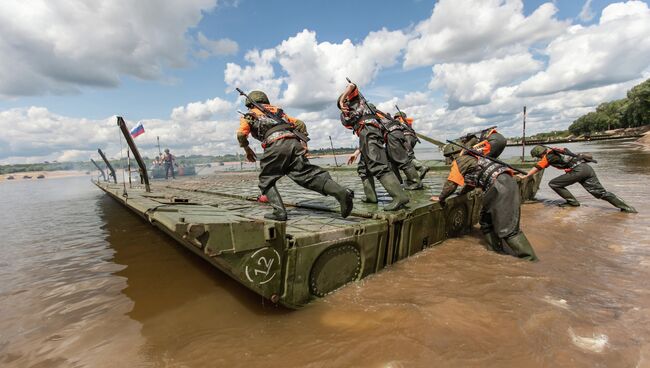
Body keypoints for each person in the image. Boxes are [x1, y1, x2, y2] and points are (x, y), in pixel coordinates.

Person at [237, 90, 354, 221]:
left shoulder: (249, 115)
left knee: (266, 180)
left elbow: (241, 134)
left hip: (275, 145)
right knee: (307, 176)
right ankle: (341, 192)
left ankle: (279, 212)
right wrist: (304, 144)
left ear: (249, 104)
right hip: (293, 143)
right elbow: (300, 124)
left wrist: (247, 149)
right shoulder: (278, 111)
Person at [431, 143, 538, 261]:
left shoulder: (460, 161)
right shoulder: (475, 157)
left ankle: (530, 260)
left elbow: (451, 183)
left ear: (452, 156)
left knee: (508, 230)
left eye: (448, 158)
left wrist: (441, 198)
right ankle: (495, 253)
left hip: (500, 187)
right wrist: (461, 194)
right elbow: (472, 182)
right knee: (486, 221)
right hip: (504, 183)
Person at [337, 83, 409, 210]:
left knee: (378, 165)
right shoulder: (350, 116)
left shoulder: (356, 99)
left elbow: (352, 85)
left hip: (370, 132)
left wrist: (342, 100)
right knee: (363, 168)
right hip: (366, 135)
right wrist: (357, 152)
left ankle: (399, 196)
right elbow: (363, 134)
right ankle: (371, 197)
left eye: (342, 105)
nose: (342, 108)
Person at [521, 146, 637, 213]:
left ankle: (573, 203)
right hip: (586, 168)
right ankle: (627, 208)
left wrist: (526, 176)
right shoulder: (561, 150)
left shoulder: (548, 157)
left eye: (537, 157)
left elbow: (537, 167)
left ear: (540, 154)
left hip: (578, 171)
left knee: (554, 184)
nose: (538, 158)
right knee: (600, 193)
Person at [348, 105, 423, 190]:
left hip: (392, 135)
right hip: (394, 135)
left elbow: (370, 139)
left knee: (402, 160)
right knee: (392, 161)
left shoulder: (371, 117)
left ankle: (416, 183)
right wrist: (357, 152)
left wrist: (357, 152)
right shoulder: (379, 115)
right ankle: (400, 183)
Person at [394, 111, 429, 180]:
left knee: (408, 156)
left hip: (406, 138)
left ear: (398, 117)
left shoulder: (399, 121)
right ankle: (412, 176)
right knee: (408, 155)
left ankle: (421, 167)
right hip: (412, 138)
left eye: (395, 117)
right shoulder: (407, 122)